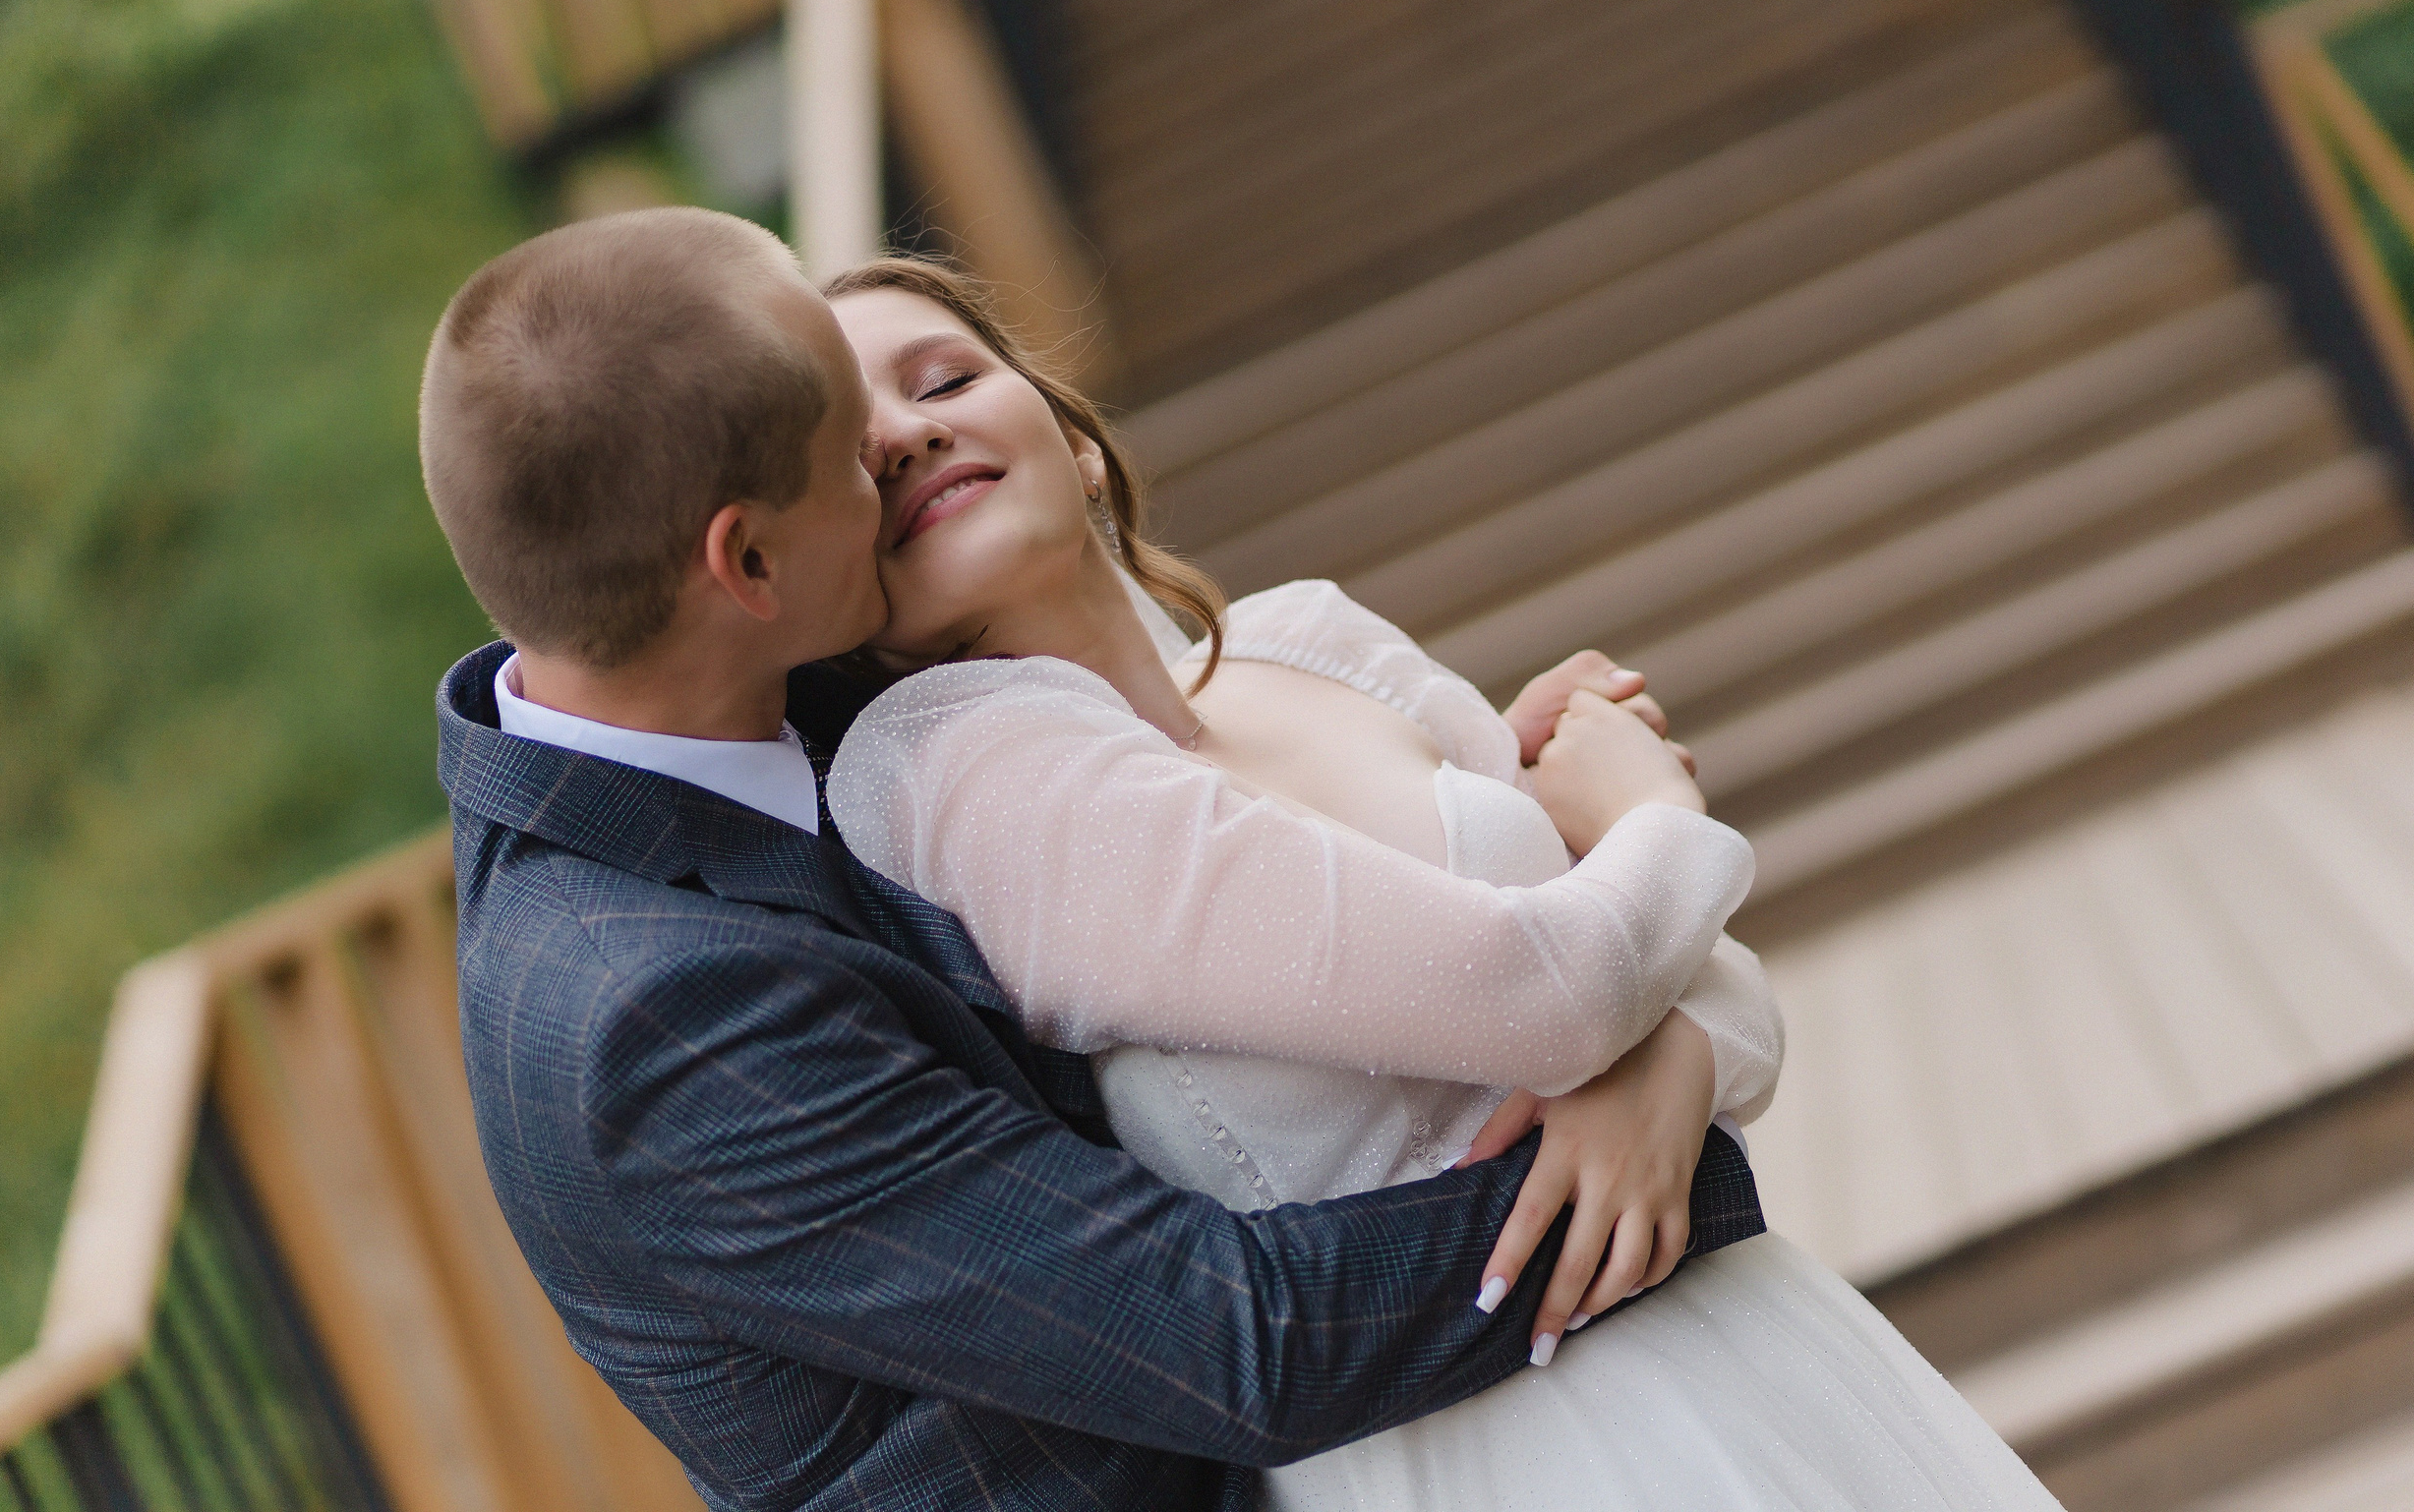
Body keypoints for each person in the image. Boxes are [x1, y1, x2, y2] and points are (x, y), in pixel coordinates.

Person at [420, 207, 1763, 1512]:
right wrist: (1647, 1126)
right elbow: (1237, 1341)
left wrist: (1545, 890)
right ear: (750, 560)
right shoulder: (654, 1024)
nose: (896, 452)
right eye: (851, 452)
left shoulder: (739, 685)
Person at [816, 254, 2070, 1510]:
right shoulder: (959, 780)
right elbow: (1564, 986)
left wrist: (1671, 1060)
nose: (908, 435)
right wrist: (1649, 804)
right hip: (1479, 1452)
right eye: (850, 450)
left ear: (1073, 439)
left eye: (945, 379)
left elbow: (1701, 974)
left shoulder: (1317, 641)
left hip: (1744, 1344)